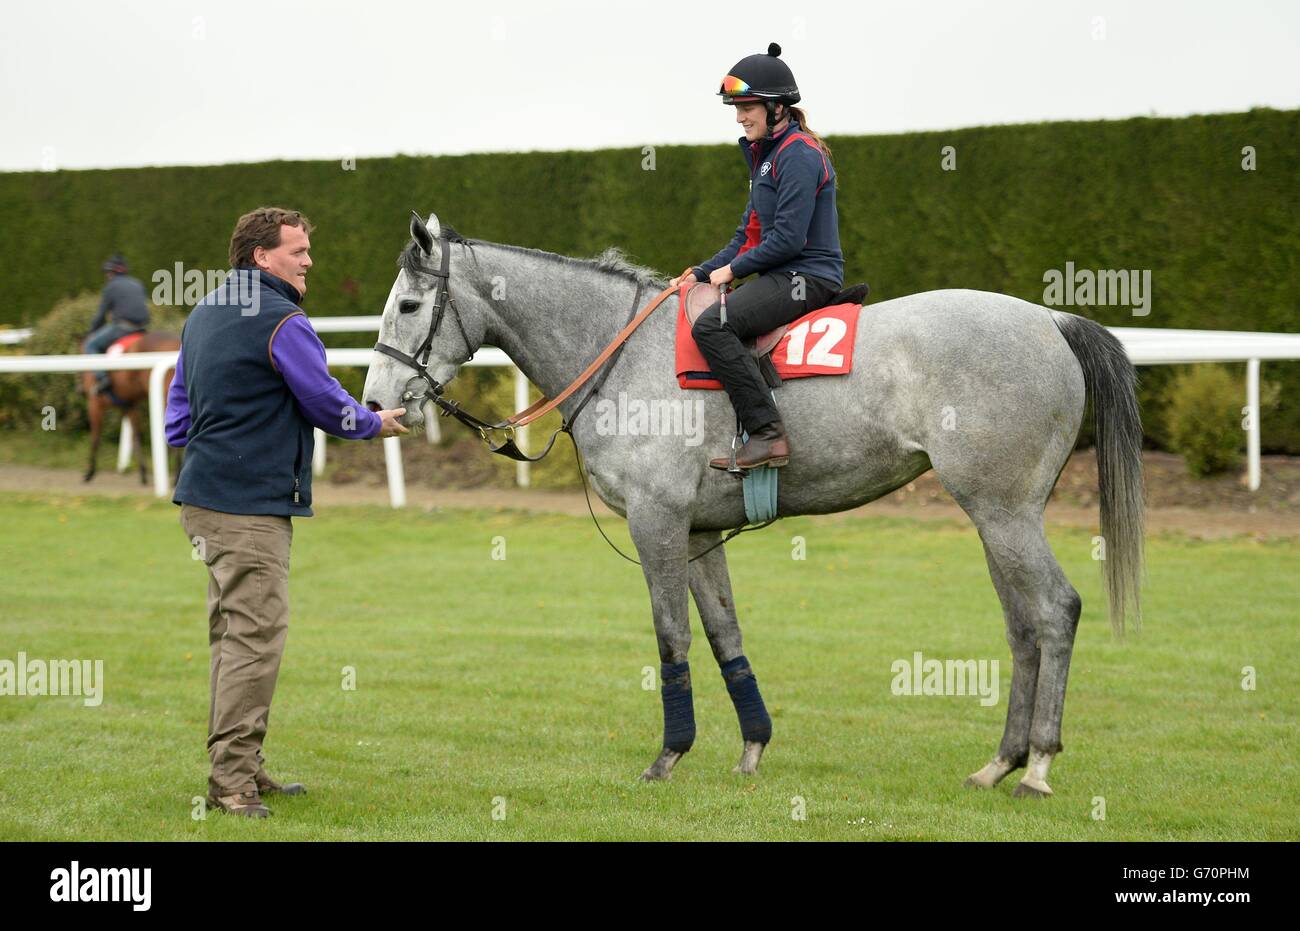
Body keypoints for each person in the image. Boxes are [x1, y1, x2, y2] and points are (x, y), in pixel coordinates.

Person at [164, 207, 408, 817]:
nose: (308, 262)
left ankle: (242, 766)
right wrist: (373, 423)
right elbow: (326, 401)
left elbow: (177, 421)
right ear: (260, 257)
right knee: (254, 641)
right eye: (297, 252)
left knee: (231, 638)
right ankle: (232, 785)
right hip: (248, 510)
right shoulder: (283, 319)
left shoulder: (203, 314)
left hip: (202, 502)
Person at [671, 43, 845, 470]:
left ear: (777, 108)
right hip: (782, 276)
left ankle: (767, 434)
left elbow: (787, 241)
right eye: (736, 107)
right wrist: (701, 271)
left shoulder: (800, 155)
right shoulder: (766, 161)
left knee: (713, 326)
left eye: (747, 106)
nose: (739, 116)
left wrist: (729, 272)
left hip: (807, 277)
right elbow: (746, 239)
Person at [85, 254, 150, 395]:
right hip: (142, 330)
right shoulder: (137, 283)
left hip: (123, 328)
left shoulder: (111, 287)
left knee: (90, 345)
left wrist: (91, 331)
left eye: (107, 273)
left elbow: (101, 316)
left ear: (111, 273)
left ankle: (103, 379)